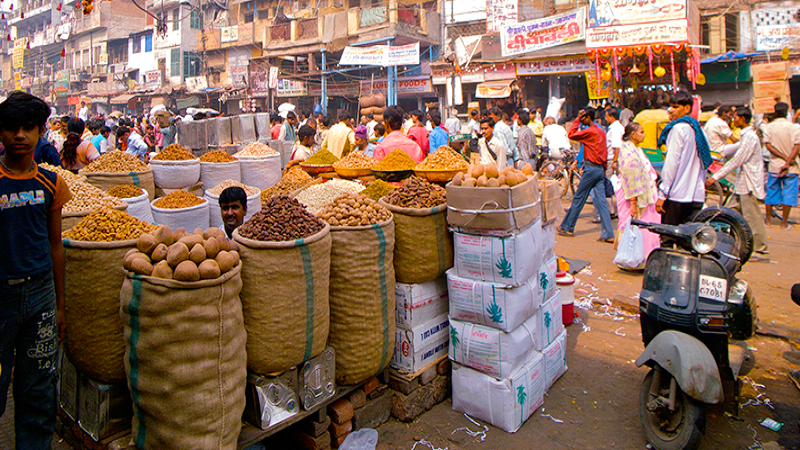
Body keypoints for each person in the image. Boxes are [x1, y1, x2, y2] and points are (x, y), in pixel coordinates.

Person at [0, 92, 72, 449]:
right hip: (1, 295)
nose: (19, 135)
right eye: (11, 127)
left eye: (28, 128)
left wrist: (60, 305)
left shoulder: (51, 183)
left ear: (41, 132)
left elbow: (55, 245)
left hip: (40, 293)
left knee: (38, 390)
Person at [705, 107, 769, 254]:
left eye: (735, 117)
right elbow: (732, 150)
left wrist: (714, 178)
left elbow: (736, 161)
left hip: (748, 184)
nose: (733, 120)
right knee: (728, 212)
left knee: (752, 217)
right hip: (741, 184)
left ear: (742, 119)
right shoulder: (746, 136)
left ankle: (760, 249)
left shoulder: (750, 137)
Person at [656, 90, 711, 234]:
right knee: (690, 238)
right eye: (670, 106)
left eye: (675, 107)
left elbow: (671, 165)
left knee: (668, 237)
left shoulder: (678, 129)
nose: (670, 110)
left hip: (677, 195)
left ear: (687, 108)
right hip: (696, 195)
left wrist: (663, 194)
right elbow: (704, 163)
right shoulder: (698, 130)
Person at [557, 107, 615, 243]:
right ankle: (608, 233)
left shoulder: (589, 131)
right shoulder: (601, 131)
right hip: (600, 169)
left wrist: (577, 120)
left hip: (591, 169)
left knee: (578, 198)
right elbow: (604, 151)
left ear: (587, 117)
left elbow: (571, 134)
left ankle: (567, 227)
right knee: (602, 203)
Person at [616, 122, 661, 261]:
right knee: (633, 225)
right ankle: (631, 257)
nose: (644, 135)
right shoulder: (629, 153)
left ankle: (645, 256)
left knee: (645, 227)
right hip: (632, 196)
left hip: (645, 195)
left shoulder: (637, 150)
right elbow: (631, 179)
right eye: (641, 132)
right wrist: (634, 203)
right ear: (633, 135)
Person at [762, 102, 800, 229]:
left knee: (771, 191)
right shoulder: (795, 127)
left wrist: (783, 158)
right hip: (792, 166)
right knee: (789, 194)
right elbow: (796, 146)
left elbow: (768, 145)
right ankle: (784, 223)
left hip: (775, 165)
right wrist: (788, 161)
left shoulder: (769, 127)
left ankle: (767, 220)